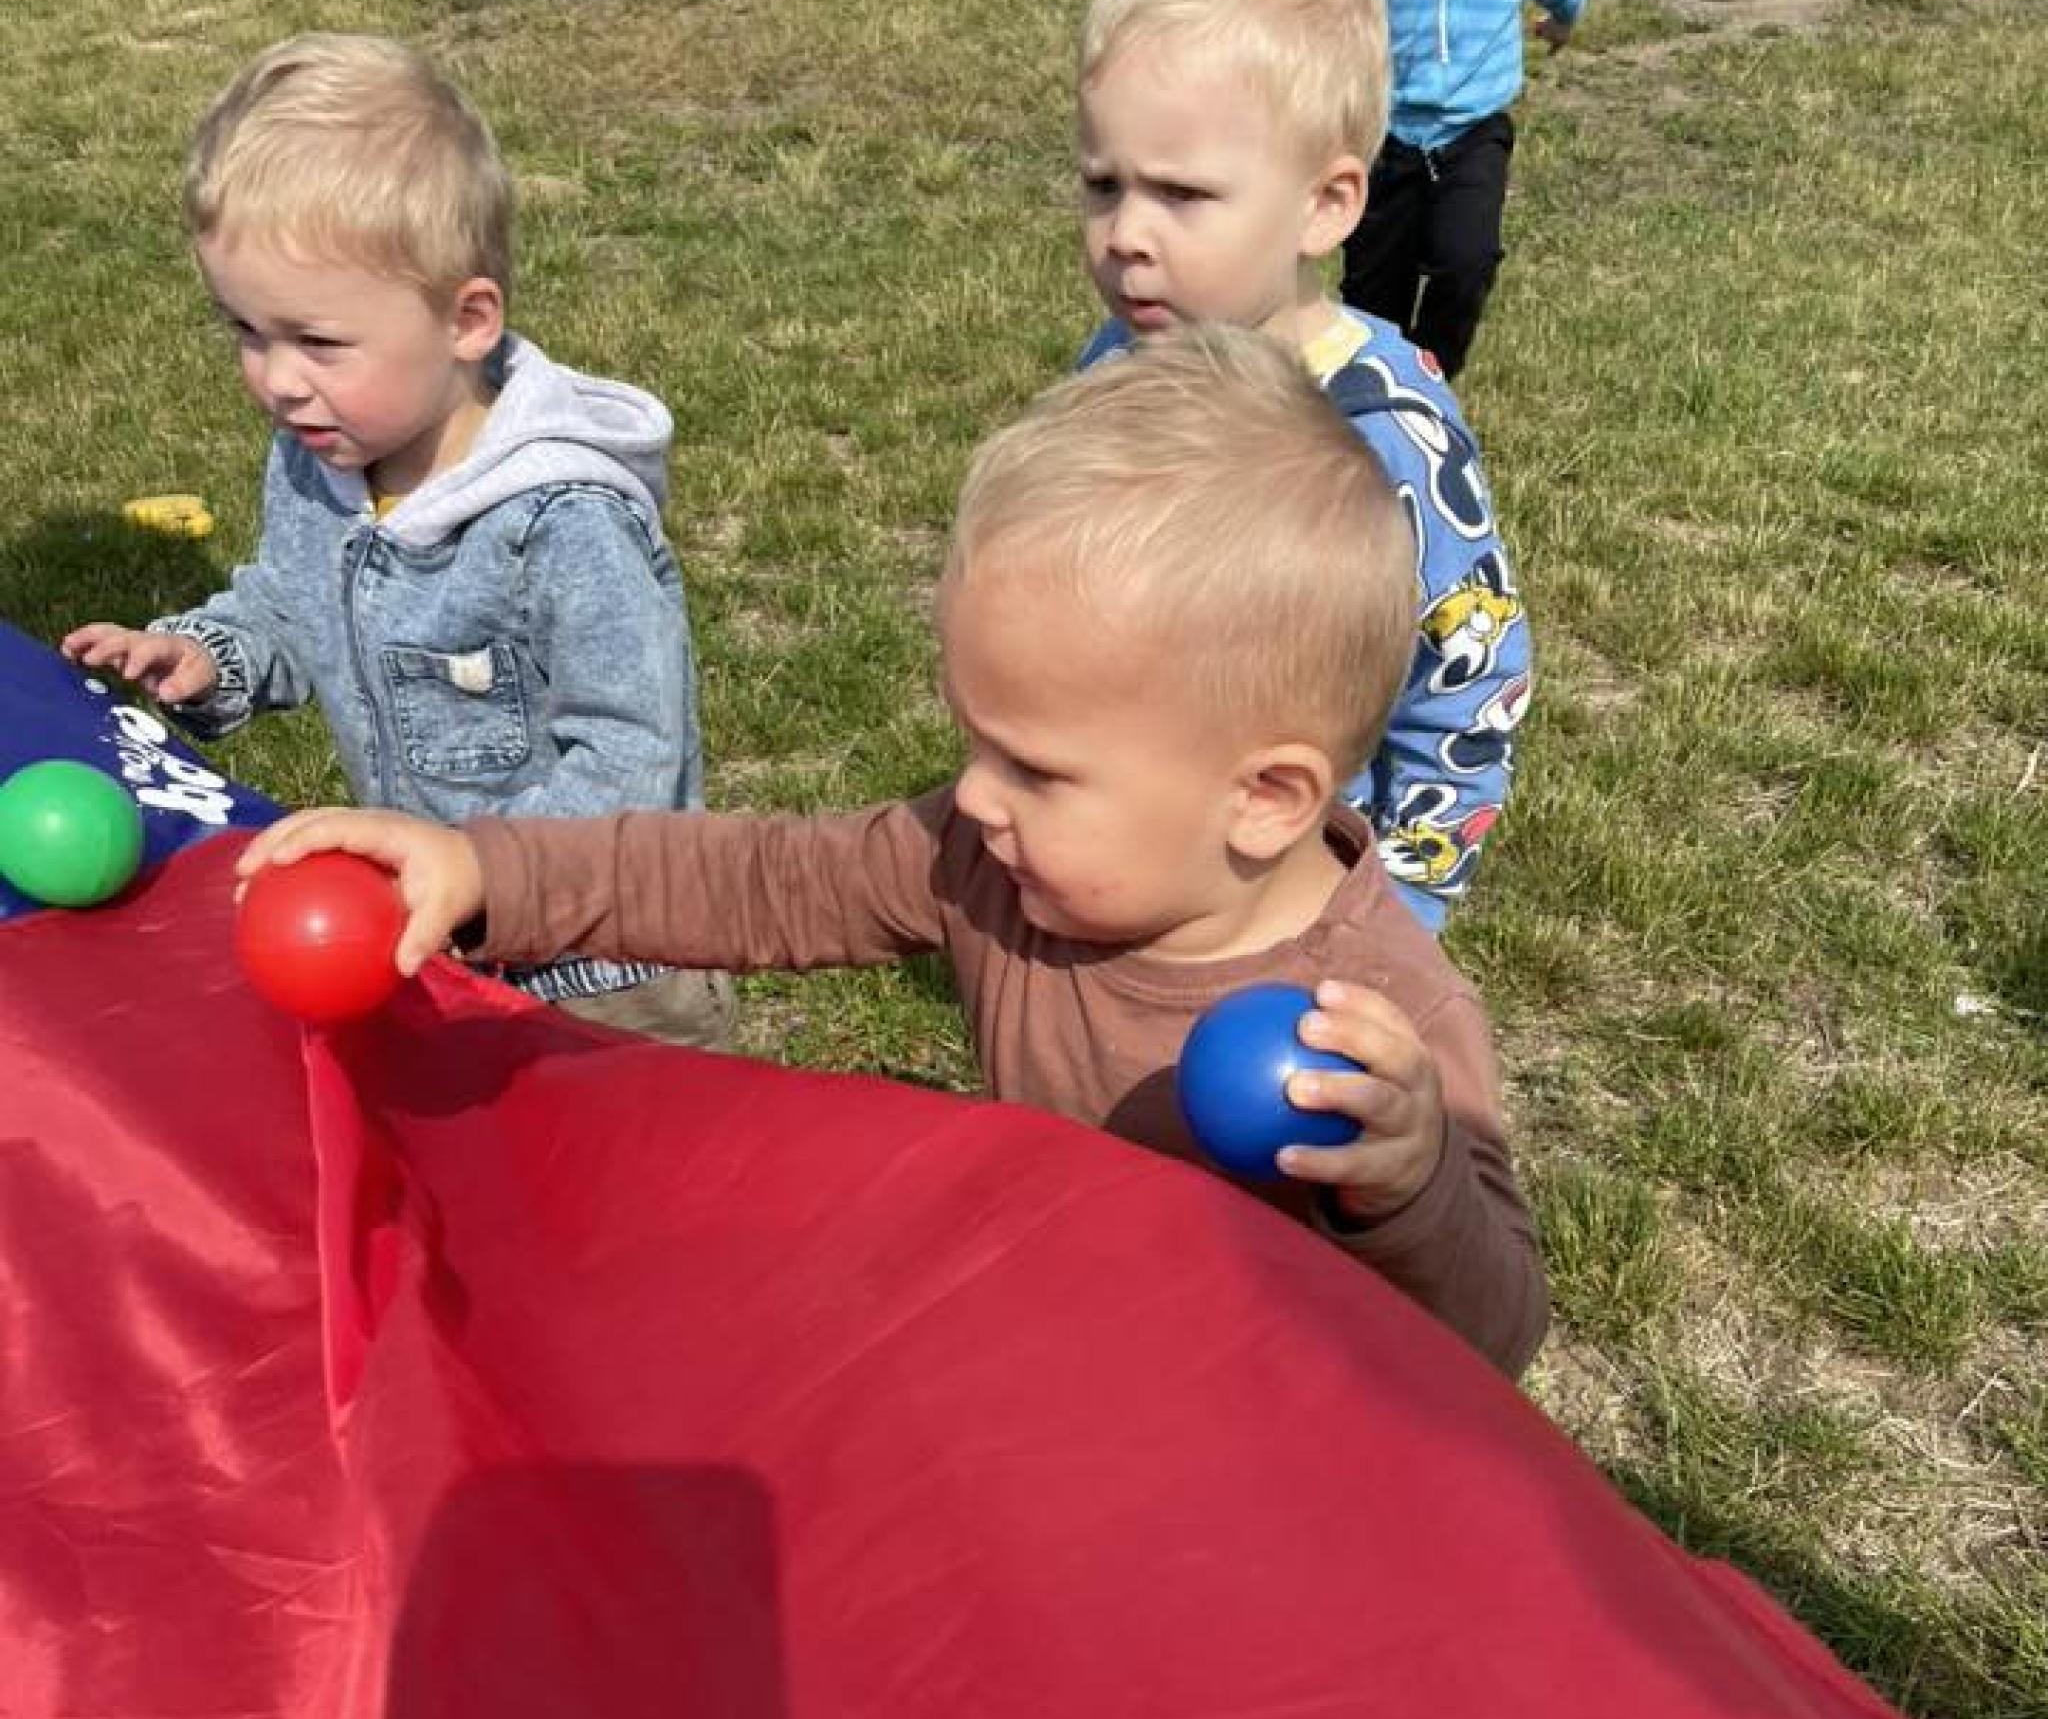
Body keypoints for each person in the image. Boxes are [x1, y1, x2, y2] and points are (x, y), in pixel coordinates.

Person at [237, 329, 1547, 1380]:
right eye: (974, 742)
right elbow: (752, 880)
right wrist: (488, 871)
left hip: (1255, 1453)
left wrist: (1407, 1184)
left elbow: (1493, 1341)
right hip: (1058, 1375)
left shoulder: (1379, 1029)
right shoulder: (992, 863)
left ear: (1263, 799)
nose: (972, 795)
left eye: (1033, 767)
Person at [63, 33, 730, 1045]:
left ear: (467, 321)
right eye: (245, 331)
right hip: (439, 935)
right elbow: (288, 606)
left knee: (625, 1148)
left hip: (608, 970)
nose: (277, 380)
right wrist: (208, 653)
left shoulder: (563, 522)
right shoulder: (320, 458)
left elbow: (633, 756)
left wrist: (475, 868)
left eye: (317, 341)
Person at [1073, 0, 1531, 932]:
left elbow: (1467, 669)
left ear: (1325, 205)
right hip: (1128, 846)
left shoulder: (1382, 432)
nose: (1126, 234)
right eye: (1103, 185)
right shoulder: (1114, 365)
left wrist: (1404, 893)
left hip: (1299, 883)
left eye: (1182, 194)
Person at [1334, 0, 1587, 381]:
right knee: (1375, 285)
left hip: (1475, 128)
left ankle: (1431, 376)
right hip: (1387, 133)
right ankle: (1373, 387)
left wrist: (1566, 16)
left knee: (1465, 261)